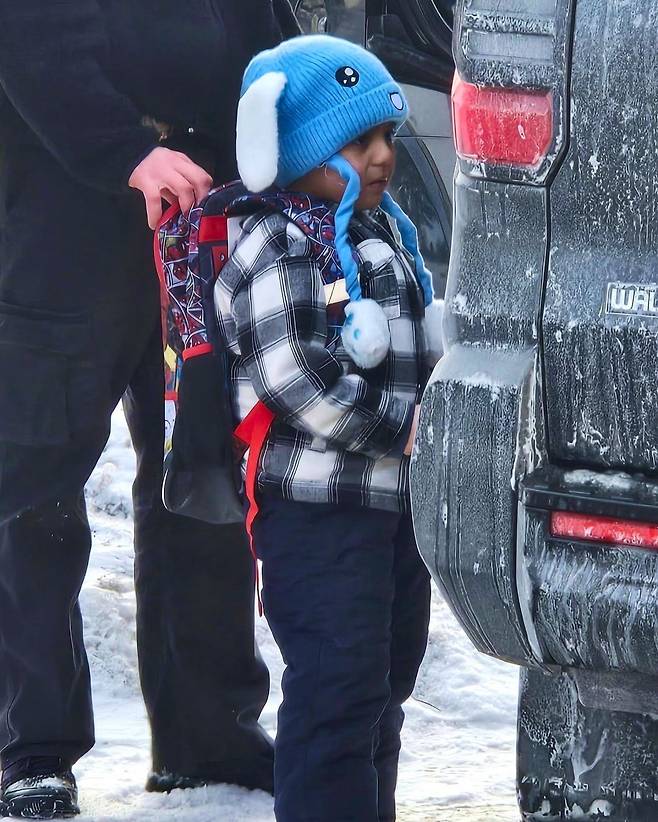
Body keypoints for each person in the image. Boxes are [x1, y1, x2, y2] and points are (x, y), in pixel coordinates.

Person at [0, 1, 299, 818]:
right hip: (63, 230)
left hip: (204, 224)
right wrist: (128, 151)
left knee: (202, 472)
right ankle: (33, 749)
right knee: (34, 491)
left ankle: (208, 738)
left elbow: (269, 42)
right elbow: (28, 35)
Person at [215, 35, 444, 821]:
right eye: (358, 142)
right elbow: (294, 380)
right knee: (335, 697)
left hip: (388, 514)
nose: (382, 156)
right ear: (294, 145)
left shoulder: (382, 234)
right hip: (317, 515)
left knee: (382, 694)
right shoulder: (276, 240)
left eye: (386, 137)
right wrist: (399, 429)